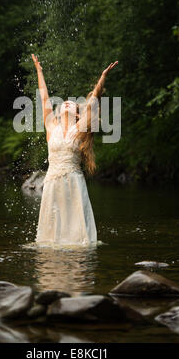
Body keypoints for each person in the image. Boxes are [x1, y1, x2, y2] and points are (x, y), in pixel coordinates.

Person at [31, 53, 118, 247]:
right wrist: (39, 70)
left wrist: (102, 78)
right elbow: (44, 96)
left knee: (76, 235)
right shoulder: (51, 127)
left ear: (78, 114)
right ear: (59, 111)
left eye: (72, 104)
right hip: (52, 181)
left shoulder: (79, 130)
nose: (67, 103)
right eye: (64, 103)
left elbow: (94, 100)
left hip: (72, 181)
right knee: (51, 239)